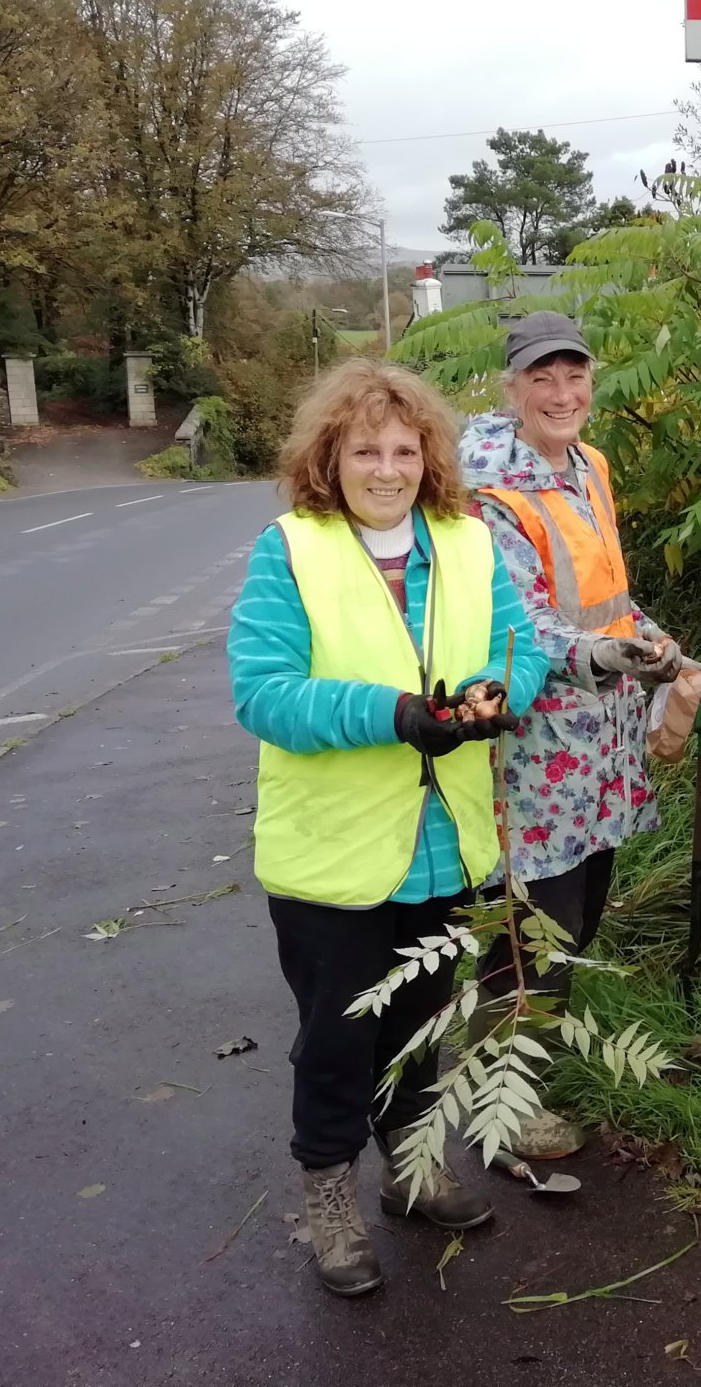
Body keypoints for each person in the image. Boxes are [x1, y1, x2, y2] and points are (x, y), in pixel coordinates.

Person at [229, 360, 548, 1298]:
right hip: (333, 854)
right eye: (365, 449)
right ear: (330, 457)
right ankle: (329, 1198)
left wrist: (499, 698)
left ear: (429, 457)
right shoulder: (290, 549)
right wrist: (394, 712)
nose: (387, 467)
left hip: (446, 841)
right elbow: (264, 693)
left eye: (405, 449)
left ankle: (412, 1173)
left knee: (420, 1022)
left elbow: (514, 651)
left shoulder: (469, 541)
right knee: (336, 1037)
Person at [459, 311, 701, 1158]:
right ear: (512, 389)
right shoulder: (492, 492)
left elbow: (605, 594)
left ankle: (519, 1060)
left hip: (603, 742)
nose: (562, 394)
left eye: (575, 376)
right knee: (536, 925)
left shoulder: (590, 466)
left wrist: (660, 643)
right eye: (542, 378)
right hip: (536, 749)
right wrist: (612, 656)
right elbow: (526, 624)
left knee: (583, 913)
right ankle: (503, 1101)